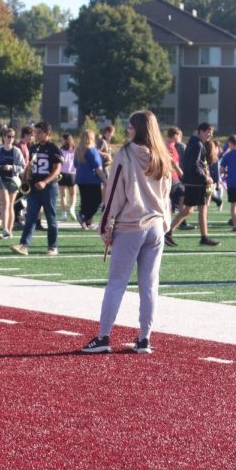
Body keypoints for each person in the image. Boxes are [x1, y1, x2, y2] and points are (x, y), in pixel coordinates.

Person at [81, 110, 172, 355]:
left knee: (117, 283)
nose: (127, 129)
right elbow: (166, 195)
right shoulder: (162, 156)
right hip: (156, 225)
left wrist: (105, 227)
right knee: (149, 285)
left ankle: (103, 336)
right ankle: (144, 338)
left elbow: (114, 194)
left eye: (130, 126)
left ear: (138, 128)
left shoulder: (126, 154)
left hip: (131, 225)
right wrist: (166, 223)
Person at [11, 121, 62, 256]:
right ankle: (24, 245)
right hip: (33, 188)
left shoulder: (53, 148)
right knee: (30, 217)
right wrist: (26, 175)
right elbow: (31, 166)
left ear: (47, 134)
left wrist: (45, 182)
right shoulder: (33, 148)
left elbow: (57, 170)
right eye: (35, 132)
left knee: (51, 217)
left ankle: (53, 246)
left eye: (39, 133)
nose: (36, 135)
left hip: (49, 188)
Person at [165, 122, 219, 247]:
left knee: (189, 209)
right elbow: (195, 165)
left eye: (211, 132)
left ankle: (168, 232)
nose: (210, 134)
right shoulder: (198, 144)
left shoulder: (193, 142)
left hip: (190, 181)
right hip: (196, 182)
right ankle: (204, 238)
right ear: (200, 131)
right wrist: (205, 177)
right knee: (202, 208)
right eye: (207, 131)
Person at [0, 128, 25, 238]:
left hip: (13, 180)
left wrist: (11, 167)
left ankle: (9, 230)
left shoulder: (16, 151)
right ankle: (5, 229)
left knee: (11, 205)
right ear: (3, 137)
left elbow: (22, 167)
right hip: (1, 179)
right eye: (8, 136)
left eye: (13, 137)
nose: (11, 139)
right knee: (5, 203)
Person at [74, 130, 106, 229]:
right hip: (92, 179)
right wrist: (105, 180)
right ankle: (84, 216)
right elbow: (98, 167)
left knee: (85, 202)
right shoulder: (92, 150)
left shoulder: (78, 150)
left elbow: (75, 165)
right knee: (97, 200)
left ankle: (87, 222)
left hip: (80, 179)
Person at [58, 133, 77, 221]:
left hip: (62, 173)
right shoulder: (75, 149)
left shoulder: (61, 150)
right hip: (72, 174)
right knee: (73, 194)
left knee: (63, 195)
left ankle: (64, 214)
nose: (61, 141)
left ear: (66, 140)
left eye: (62, 139)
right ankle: (72, 208)